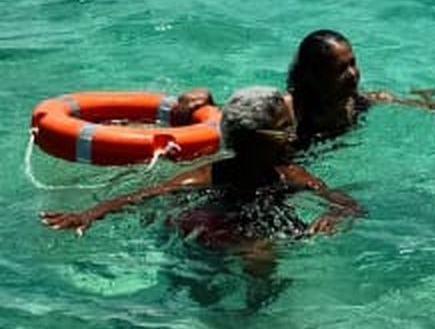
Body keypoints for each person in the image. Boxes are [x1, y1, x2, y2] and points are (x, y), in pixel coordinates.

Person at [41, 86, 363, 247]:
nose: (293, 137)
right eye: (284, 129)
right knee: (252, 251)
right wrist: (88, 215)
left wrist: (333, 215)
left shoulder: (291, 174)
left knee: (263, 250)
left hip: (261, 227)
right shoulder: (210, 174)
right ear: (250, 141)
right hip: (214, 222)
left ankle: (254, 317)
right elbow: (144, 194)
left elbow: (348, 204)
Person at [172, 30, 435, 148]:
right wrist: (207, 99)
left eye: (353, 63)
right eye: (340, 68)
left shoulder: (359, 104)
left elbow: (427, 110)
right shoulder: (286, 109)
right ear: (311, 76)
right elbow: (239, 121)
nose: (354, 74)